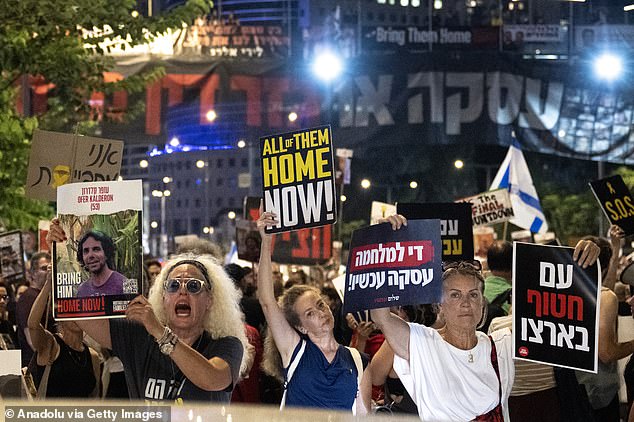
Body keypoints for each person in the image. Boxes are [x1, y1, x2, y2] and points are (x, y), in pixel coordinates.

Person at [370, 214, 600, 421]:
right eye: (455, 295)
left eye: (473, 294)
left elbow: (564, 320)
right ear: (439, 304)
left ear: (482, 302)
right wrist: (382, 244)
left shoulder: (501, 344)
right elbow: (381, 316)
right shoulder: (422, 342)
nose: (465, 303)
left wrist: (583, 260)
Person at [48, 218, 247, 402]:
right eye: (173, 286)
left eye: (194, 286)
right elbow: (75, 310)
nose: (183, 292)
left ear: (210, 300)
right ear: (163, 297)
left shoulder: (226, 345)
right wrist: (60, 250)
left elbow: (213, 379)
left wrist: (161, 333)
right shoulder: (138, 336)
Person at [257, 209, 370, 413]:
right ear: (301, 326)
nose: (320, 313)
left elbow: (363, 414)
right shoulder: (295, 351)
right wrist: (266, 242)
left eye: (320, 304)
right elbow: (267, 301)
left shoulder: (356, 359)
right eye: (309, 313)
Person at [27, 265, 100, 397]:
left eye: (81, 310)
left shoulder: (92, 356)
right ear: (60, 316)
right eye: (71, 310)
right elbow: (32, 324)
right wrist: (48, 285)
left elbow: (94, 398)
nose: (77, 316)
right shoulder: (51, 345)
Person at [16, 252, 51, 367]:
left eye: (51, 267)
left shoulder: (47, 296)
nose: (49, 271)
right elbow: (32, 341)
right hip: (38, 366)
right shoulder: (28, 298)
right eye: (44, 268)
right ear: (33, 273)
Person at [76, 231, 126, 297]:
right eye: (86, 251)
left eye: (96, 249)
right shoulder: (82, 290)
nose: (90, 255)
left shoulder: (126, 283)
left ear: (106, 252)